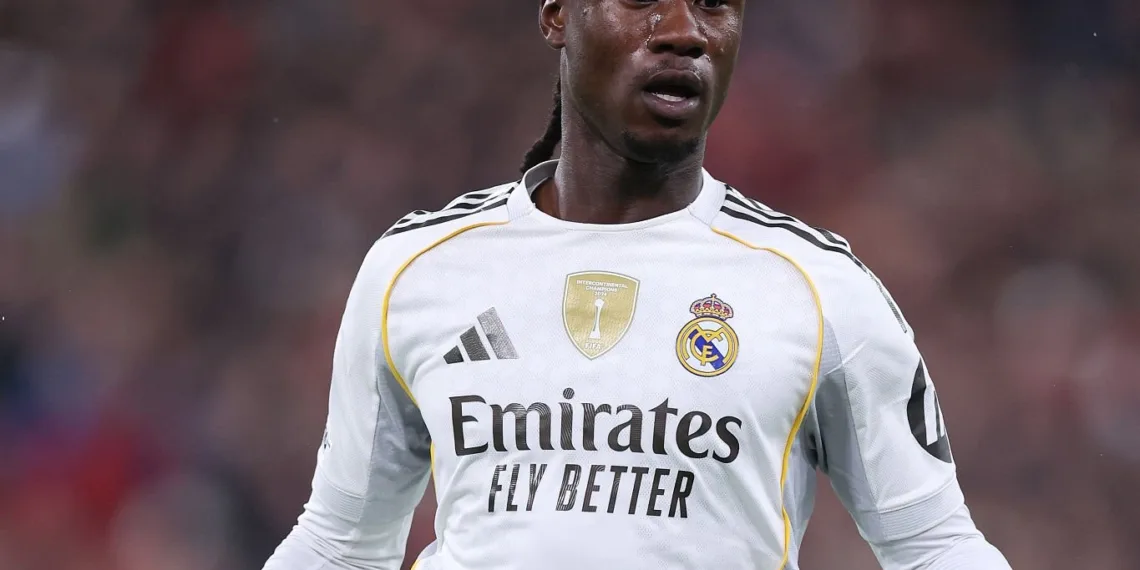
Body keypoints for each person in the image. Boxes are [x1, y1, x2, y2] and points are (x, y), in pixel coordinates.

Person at [262, 1, 1011, 568]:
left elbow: (936, 547)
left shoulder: (819, 289)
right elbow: (339, 545)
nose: (684, 30)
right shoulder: (417, 269)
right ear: (557, 15)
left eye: (714, 3)